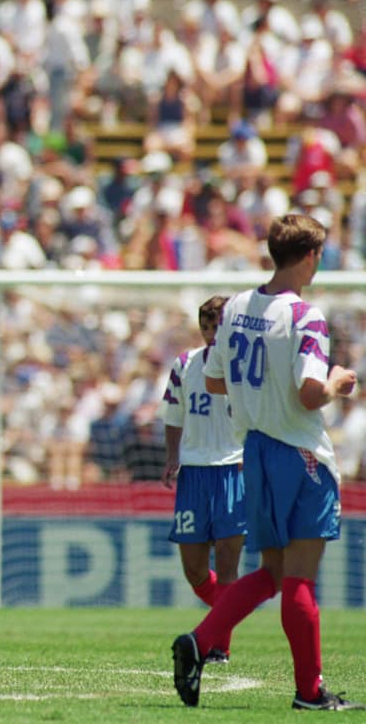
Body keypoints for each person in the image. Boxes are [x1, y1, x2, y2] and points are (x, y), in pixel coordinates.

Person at [172, 214, 361, 711]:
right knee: (298, 576)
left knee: (273, 571)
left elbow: (214, 380)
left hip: (252, 450)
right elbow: (307, 394)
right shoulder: (305, 316)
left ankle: (199, 640)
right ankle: (309, 692)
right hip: (299, 454)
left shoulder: (234, 307)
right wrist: (341, 381)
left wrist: (257, 392)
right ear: (310, 257)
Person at [160, 295, 243, 664]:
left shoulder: (243, 369)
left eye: (218, 327)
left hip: (233, 469)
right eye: (207, 327)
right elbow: (173, 414)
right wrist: (172, 456)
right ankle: (235, 607)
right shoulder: (185, 365)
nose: (212, 334)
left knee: (227, 563)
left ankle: (219, 646)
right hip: (194, 472)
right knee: (194, 569)